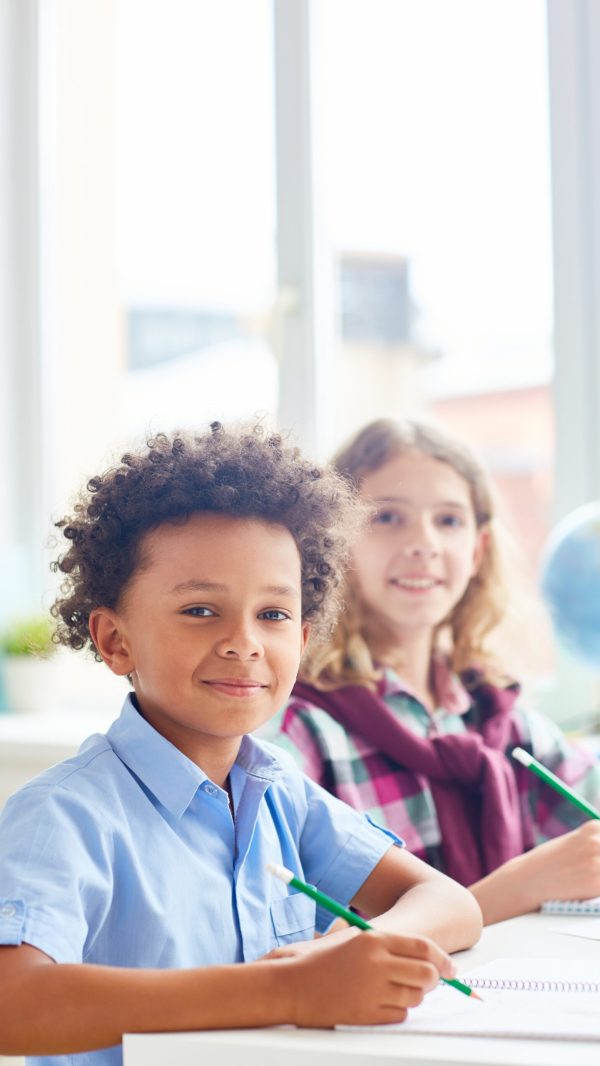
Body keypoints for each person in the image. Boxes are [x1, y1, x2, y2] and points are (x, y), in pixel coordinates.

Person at [0, 422, 481, 1065]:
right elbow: (13, 1004)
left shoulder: (277, 789)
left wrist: (343, 956)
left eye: (273, 615)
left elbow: (450, 902)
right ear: (115, 641)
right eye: (201, 610)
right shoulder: (62, 815)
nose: (244, 642)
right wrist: (284, 991)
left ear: (302, 640)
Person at [272, 417, 600, 927]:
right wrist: (517, 888)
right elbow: (305, 946)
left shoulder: (502, 720)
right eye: (386, 518)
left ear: (477, 550)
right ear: (333, 545)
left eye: (448, 521)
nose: (423, 543)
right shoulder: (302, 731)